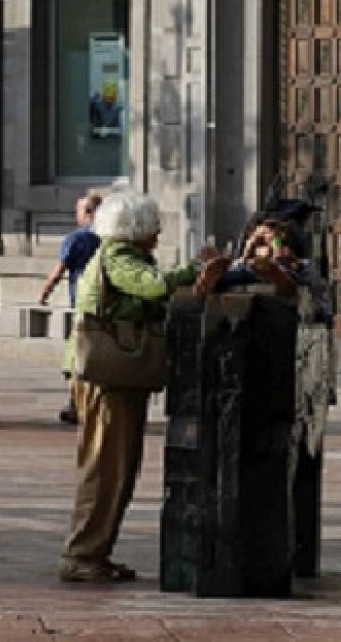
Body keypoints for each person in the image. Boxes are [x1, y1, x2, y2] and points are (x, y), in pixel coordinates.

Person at [58, 193, 227, 584]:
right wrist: (196, 268)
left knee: (120, 469)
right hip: (106, 378)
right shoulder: (118, 257)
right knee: (105, 468)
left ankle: (96, 551)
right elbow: (153, 288)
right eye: (153, 225)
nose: (158, 232)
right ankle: (82, 553)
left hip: (118, 378)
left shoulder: (127, 256)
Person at [39, 193, 103, 426]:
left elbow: (60, 268)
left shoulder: (76, 238)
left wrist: (46, 289)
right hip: (106, 307)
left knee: (75, 359)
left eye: (78, 211)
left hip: (83, 306)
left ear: (88, 213)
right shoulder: (110, 237)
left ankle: (76, 404)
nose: (75, 216)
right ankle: (82, 403)